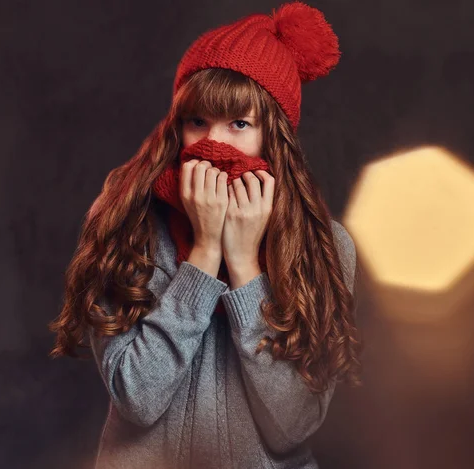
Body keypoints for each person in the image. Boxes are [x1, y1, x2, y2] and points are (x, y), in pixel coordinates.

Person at [48, 1, 363, 468]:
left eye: (240, 123)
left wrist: (244, 267)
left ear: (273, 135)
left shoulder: (323, 248)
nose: (215, 144)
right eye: (198, 121)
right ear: (176, 128)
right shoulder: (122, 226)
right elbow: (137, 398)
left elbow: (291, 427)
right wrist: (204, 252)